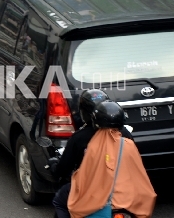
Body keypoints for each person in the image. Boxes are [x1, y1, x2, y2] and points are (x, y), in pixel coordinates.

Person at [51, 89, 134, 218]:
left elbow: (65, 167)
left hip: (90, 189)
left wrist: (56, 169)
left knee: (60, 201)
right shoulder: (125, 134)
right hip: (122, 187)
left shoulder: (80, 137)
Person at [67, 100, 156, 218]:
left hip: (101, 203)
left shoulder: (94, 146)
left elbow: (85, 177)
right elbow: (138, 174)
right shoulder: (128, 144)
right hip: (129, 201)